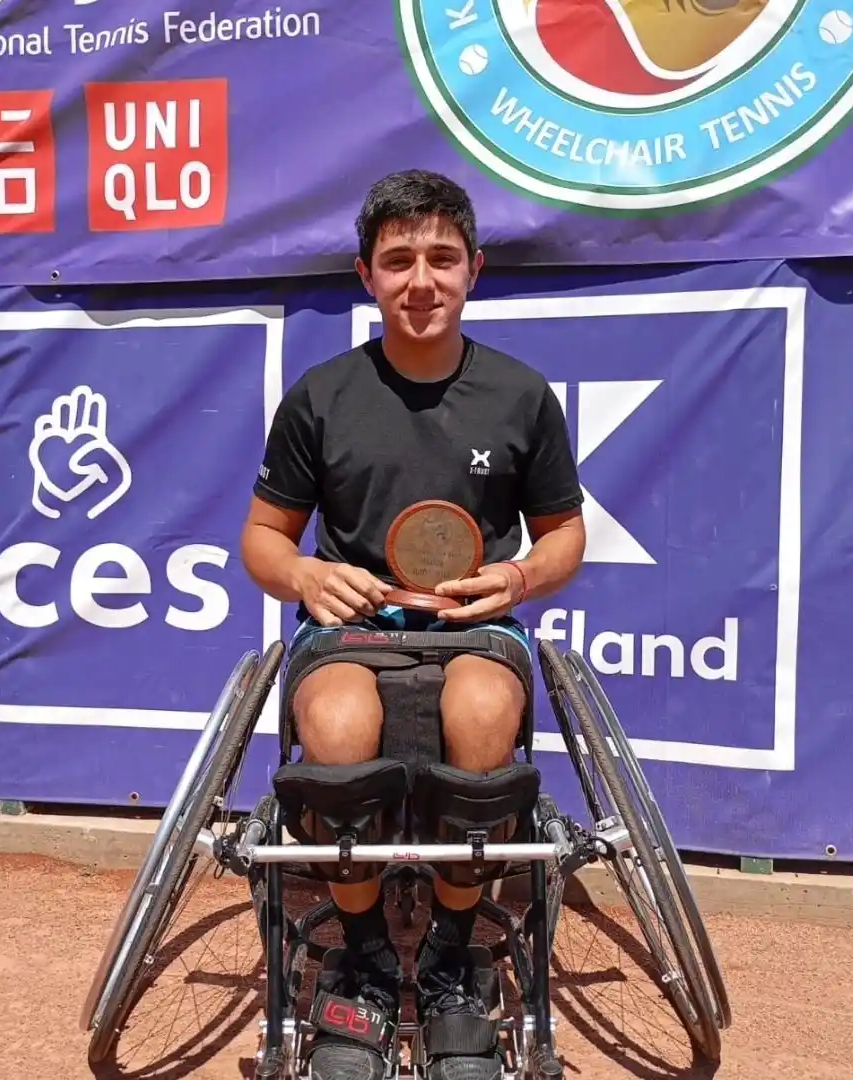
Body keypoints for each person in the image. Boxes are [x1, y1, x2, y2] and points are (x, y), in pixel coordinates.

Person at [240, 169, 585, 1080]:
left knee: (478, 712)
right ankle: (357, 953)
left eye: (440, 257)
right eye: (398, 260)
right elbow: (264, 541)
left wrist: (515, 576)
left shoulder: (520, 395)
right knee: (341, 725)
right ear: (367, 275)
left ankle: (451, 963)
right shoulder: (321, 396)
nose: (420, 280)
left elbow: (565, 537)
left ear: (474, 267)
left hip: (475, 627)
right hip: (354, 630)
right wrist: (308, 572)